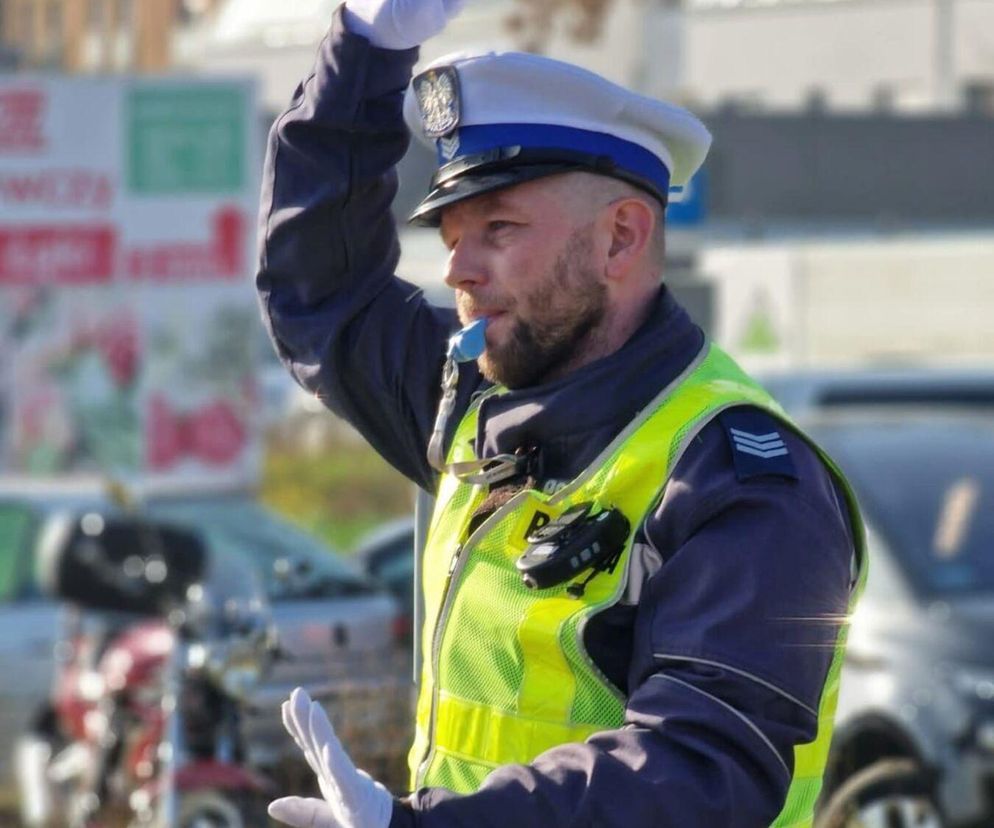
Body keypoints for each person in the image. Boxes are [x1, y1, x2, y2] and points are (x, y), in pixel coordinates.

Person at [255, 0, 867, 825]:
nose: (459, 271)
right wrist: (363, 57)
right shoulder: (478, 403)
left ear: (621, 239)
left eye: (499, 229)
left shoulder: (740, 479)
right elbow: (320, 294)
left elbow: (699, 774)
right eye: (450, 238)